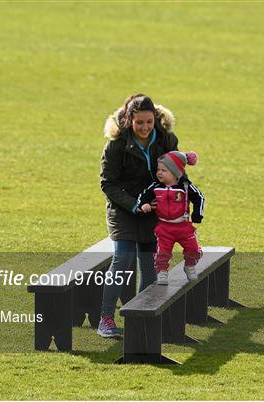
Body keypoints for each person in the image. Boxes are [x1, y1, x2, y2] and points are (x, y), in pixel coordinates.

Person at [98, 94, 179, 338]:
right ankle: (106, 319)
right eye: (139, 123)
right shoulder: (116, 145)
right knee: (122, 259)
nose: (144, 128)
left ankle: (141, 318)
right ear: (128, 120)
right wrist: (135, 205)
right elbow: (108, 184)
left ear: (156, 119)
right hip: (123, 210)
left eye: (149, 122)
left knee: (150, 264)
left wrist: (167, 196)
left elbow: (176, 173)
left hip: (154, 211)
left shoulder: (166, 140)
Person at [136, 151, 204, 285]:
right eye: (158, 170)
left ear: (175, 172)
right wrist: (143, 204)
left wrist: (197, 214)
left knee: (193, 250)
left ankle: (190, 265)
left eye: (164, 170)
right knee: (162, 252)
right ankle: (162, 272)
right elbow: (143, 196)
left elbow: (199, 197)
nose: (159, 173)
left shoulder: (185, 186)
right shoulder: (155, 186)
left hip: (183, 225)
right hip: (164, 226)